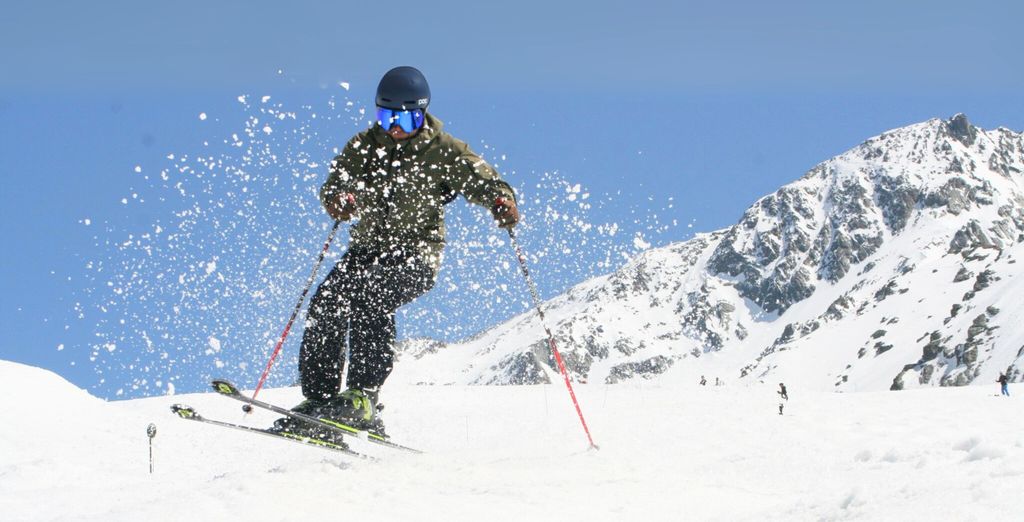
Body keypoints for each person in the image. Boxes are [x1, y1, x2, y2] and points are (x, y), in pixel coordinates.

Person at [275, 66, 519, 439]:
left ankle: (363, 397)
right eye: (387, 117)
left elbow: (485, 181)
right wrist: (339, 199)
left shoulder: (444, 150)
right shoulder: (363, 146)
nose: (396, 127)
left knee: (371, 296)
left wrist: (501, 201)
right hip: (365, 250)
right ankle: (321, 399)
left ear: (422, 114)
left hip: (416, 254)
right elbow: (336, 183)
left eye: (406, 119)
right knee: (326, 302)